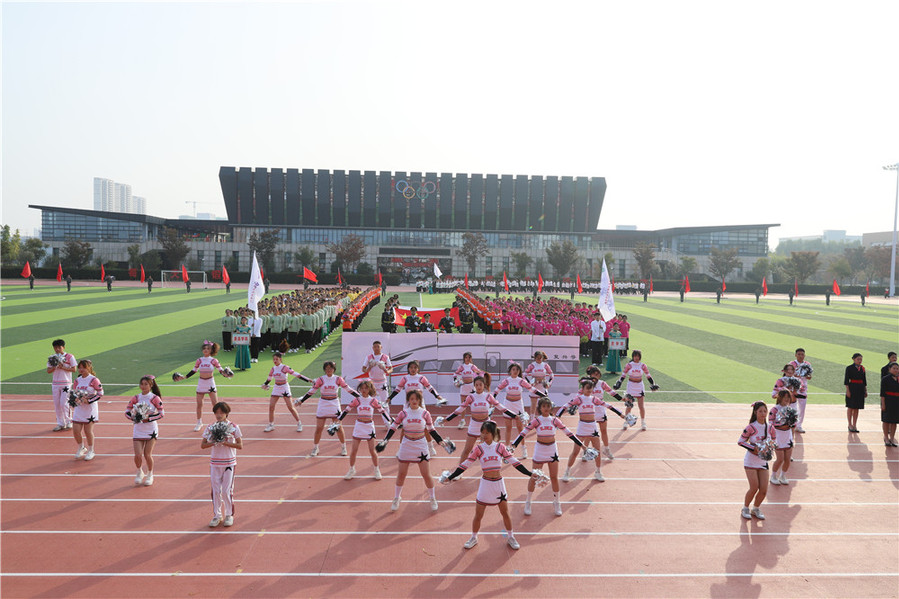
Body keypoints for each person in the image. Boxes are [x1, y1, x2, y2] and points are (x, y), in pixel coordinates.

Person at [442, 420, 537, 550]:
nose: (484, 435)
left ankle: (511, 537)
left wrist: (530, 474)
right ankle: (473, 537)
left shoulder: (500, 447)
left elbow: (515, 462)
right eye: (482, 432)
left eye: (487, 433)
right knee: (478, 514)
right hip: (485, 484)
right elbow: (465, 464)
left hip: (498, 484)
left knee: (505, 513)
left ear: (493, 434)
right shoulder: (478, 449)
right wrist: (451, 477)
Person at [375, 389, 453, 511]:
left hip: (421, 445)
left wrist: (440, 441)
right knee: (401, 474)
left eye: (416, 399)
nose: (414, 401)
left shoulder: (425, 413)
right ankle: (397, 497)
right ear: (408, 401)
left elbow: (431, 429)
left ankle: (432, 498)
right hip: (406, 445)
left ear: (420, 400)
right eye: (412, 399)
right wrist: (386, 440)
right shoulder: (403, 413)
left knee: (426, 474)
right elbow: (393, 427)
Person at [510, 397, 588, 516]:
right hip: (540, 450)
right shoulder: (536, 421)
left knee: (554, 477)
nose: (546, 408)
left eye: (548, 406)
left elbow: (569, 433)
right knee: (534, 477)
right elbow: (523, 433)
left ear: (551, 408)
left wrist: (582, 445)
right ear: (540, 408)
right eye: (544, 406)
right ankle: (528, 502)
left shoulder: (555, 420)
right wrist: (514, 445)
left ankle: (557, 502)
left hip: (552, 450)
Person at [557, 379, 627, 483]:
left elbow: (608, 406)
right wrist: (557, 416)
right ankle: (567, 472)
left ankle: (598, 472)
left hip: (592, 427)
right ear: (582, 389)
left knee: (597, 451)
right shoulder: (578, 399)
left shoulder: (594, 399)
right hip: (582, 427)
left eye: (591, 388)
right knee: (575, 451)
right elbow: (565, 406)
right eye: (587, 388)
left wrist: (621, 414)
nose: (589, 390)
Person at [444, 375, 519, 466]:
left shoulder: (488, 396)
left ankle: (494, 467)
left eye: (480, 385)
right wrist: (447, 419)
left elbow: (501, 407)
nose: (478, 387)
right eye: (476, 385)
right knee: (467, 449)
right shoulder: (471, 397)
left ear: (484, 385)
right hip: (474, 426)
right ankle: (459, 470)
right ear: (474, 386)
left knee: (492, 449)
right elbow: (460, 409)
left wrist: (513, 415)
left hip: (486, 426)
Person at [294, 361, 361, 457]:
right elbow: (311, 391)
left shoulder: (338, 379)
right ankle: (316, 447)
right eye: (327, 368)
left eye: (331, 368)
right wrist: (302, 400)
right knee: (319, 428)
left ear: (334, 369)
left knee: (338, 427)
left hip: (334, 404)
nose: (329, 370)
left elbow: (348, 389)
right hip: (323, 404)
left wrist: (360, 397)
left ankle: (343, 447)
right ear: (324, 369)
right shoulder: (321, 379)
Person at [335, 380, 392, 480]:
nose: (364, 390)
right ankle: (351, 469)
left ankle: (376, 470)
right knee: (354, 450)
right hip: (359, 426)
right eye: (362, 388)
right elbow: (346, 410)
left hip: (369, 426)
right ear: (359, 390)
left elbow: (382, 411)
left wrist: (390, 421)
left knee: (372, 451)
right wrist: (339, 420)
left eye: (366, 388)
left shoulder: (373, 401)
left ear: (370, 389)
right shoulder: (357, 400)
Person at [173, 341, 234, 432]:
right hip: (201, 383)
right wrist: (185, 377)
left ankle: (221, 422)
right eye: (204, 348)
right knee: (199, 404)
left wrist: (226, 374)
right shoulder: (199, 360)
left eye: (208, 349)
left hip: (210, 383)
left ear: (211, 350)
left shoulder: (213, 360)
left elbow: (220, 370)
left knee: (216, 405)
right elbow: (194, 370)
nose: (205, 350)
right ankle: (199, 423)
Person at [200, 401, 243, 527]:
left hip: (229, 463)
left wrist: (225, 442)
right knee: (215, 490)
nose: (219, 415)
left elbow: (240, 445)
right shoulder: (210, 427)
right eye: (217, 413)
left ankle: (229, 515)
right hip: (215, 463)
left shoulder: (234, 427)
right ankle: (217, 516)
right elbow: (203, 445)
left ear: (227, 413)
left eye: (222, 413)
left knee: (226, 490)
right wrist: (214, 442)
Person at [493, 362, 545, 458]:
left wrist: (543, 395)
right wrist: (492, 399)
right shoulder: (507, 381)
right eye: (513, 369)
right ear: (510, 371)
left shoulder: (521, 381)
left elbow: (532, 389)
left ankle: (523, 449)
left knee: (520, 428)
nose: (515, 371)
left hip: (518, 406)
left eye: (517, 370)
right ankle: (507, 449)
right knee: (508, 428)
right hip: (508, 405)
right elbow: (497, 389)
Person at [125, 375, 164, 486]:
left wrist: (148, 418)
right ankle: (139, 472)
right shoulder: (136, 397)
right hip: (138, 429)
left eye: (146, 384)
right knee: (137, 455)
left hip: (151, 429)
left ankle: (150, 474)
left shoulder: (155, 398)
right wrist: (134, 417)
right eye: (142, 384)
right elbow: (127, 412)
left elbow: (161, 413)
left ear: (151, 385)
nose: (143, 386)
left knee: (147, 454)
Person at [738, 401, 775, 519]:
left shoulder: (770, 428)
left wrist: (770, 448)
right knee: (754, 487)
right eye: (760, 411)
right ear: (755, 412)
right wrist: (753, 448)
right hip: (751, 461)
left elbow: (774, 441)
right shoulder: (751, 427)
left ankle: (756, 509)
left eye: (765, 411)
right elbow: (741, 441)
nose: (763, 414)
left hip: (763, 462)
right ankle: (745, 508)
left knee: (763, 489)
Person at [262, 352, 311, 433]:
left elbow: (296, 374)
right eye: (274, 359)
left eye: (276, 359)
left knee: (290, 407)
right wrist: (265, 384)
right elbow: (269, 378)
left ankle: (299, 423)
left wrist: (308, 380)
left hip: (284, 388)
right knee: (271, 407)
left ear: (280, 359)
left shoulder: (285, 367)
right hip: (276, 388)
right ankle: (271, 424)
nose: (275, 361)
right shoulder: (273, 368)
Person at [614, 350, 659, 431]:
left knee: (641, 406)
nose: (636, 358)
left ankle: (643, 422)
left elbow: (648, 376)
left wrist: (653, 384)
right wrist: (619, 382)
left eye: (638, 356)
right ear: (633, 356)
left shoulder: (643, 366)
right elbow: (623, 375)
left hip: (639, 386)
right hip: (631, 386)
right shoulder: (629, 365)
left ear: (640, 357)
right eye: (635, 356)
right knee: (629, 405)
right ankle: (626, 421)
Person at [71, 359, 103, 461]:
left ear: (89, 368)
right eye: (79, 368)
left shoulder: (94, 380)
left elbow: (100, 393)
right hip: (79, 408)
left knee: (87, 431)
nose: (81, 370)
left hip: (90, 409)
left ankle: (91, 450)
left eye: (83, 368)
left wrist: (89, 400)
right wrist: (75, 399)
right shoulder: (77, 380)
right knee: (76, 430)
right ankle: (81, 447)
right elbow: (74, 392)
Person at [47, 339, 77, 431]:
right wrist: (55, 367)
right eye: (55, 347)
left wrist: (63, 367)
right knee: (57, 404)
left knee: (64, 403)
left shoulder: (69, 356)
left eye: (59, 347)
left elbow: (74, 369)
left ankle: (69, 421)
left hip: (66, 383)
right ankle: (60, 423)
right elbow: (48, 371)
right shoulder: (52, 358)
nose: (57, 349)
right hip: (55, 384)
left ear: (63, 347)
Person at [768, 389, 795, 486]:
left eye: (788, 397)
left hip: (788, 437)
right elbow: (770, 424)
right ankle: (773, 476)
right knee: (780, 459)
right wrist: (781, 424)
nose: (787, 399)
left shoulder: (790, 410)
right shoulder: (774, 410)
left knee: (787, 459)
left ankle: (783, 476)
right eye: (785, 397)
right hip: (778, 437)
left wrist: (791, 424)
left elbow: (794, 424)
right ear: (780, 398)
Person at [453, 352, 483, 429]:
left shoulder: (472, 366)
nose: (467, 359)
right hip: (463, 387)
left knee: (474, 404)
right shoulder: (462, 367)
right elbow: (455, 374)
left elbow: (479, 373)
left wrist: (478, 379)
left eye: (469, 357)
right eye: (466, 357)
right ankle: (462, 421)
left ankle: (476, 421)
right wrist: (456, 382)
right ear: (464, 358)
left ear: (471, 358)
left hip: (471, 387)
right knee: (463, 405)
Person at [361, 340, 393, 412]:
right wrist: (370, 367)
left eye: (378, 347)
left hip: (382, 382)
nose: (376, 348)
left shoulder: (385, 357)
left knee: (385, 402)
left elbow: (391, 368)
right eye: (375, 347)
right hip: (372, 383)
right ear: (372, 348)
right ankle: (367, 416)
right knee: (370, 401)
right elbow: (363, 369)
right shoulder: (369, 357)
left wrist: (385, 370)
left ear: (381, 347)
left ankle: (387, 418)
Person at [789, 348, 813, 433]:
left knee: (802, 408)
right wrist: (797, 374)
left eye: (802, 354)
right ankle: (792, 424)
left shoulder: (807, 364)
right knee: (793, 407)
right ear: (795, 355)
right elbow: (788, 374)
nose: (800, 356)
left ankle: (799, 425)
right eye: (799, 354)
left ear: (804, 355)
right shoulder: (792, 364)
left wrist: (806, 375)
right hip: (793, 388)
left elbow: (809, 377)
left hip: (803, 389)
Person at [524, 351, 554, 417]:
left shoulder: (545, 365)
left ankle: (544, 418)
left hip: (543, 387)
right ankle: (532, 419)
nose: (539, 359)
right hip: (534, 387)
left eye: (540, 358)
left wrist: (548, 383)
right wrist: (529, 383)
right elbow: (524, 375)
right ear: (535, 358)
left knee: (544, 404)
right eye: (537, 358)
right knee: (533, 404)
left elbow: (551, 375)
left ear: (542, 358)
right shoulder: (532, 365)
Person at [844, 353, 867, 433]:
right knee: (850, 407)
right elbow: (846, 380)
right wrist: (848, 390)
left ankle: (854, 425)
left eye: (861, 359)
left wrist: (865, 390)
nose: (860, 361)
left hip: (860, 389)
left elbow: (864, 380)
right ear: (854, 359)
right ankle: (849, 424)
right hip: (852, 388)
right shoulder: (849, 368)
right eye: (858, 359)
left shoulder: (862, 368)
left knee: (857, 407)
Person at [880, 362, 899, 447]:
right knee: (886, 420)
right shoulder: (885, 379)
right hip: (888, 401)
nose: (896, 370)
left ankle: (892, 437)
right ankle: (886, 437)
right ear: (889, 369)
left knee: (895, 421)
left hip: (897, 401)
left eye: (897, 369)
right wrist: (883, 404)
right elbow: (882, 393)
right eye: (894, 368)